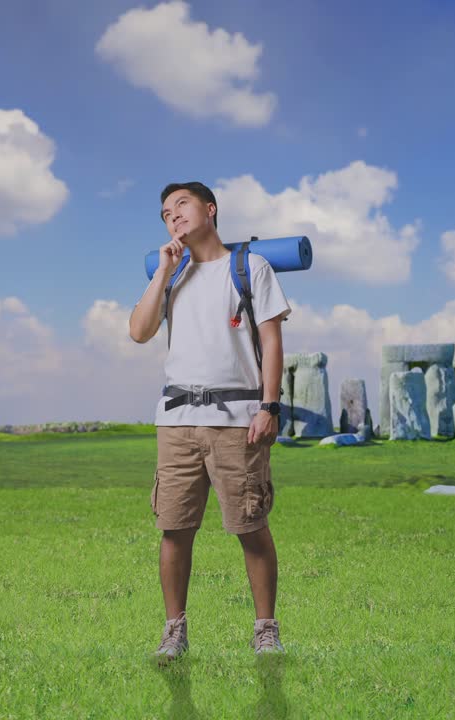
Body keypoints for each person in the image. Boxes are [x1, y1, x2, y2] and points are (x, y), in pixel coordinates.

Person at [128, 181, 291, 663]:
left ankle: (266, 629)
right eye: (164, 213)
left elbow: (273, 341)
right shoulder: (172, 276)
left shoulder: (250, 268)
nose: (172, 215)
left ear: (211, 209)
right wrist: (161, 273)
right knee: (173, 528)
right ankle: (174, 630)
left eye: (182, 204)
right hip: (177, 420)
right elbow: (138, 332)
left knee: (250, 525)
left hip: (237, 419)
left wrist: (270, 405)